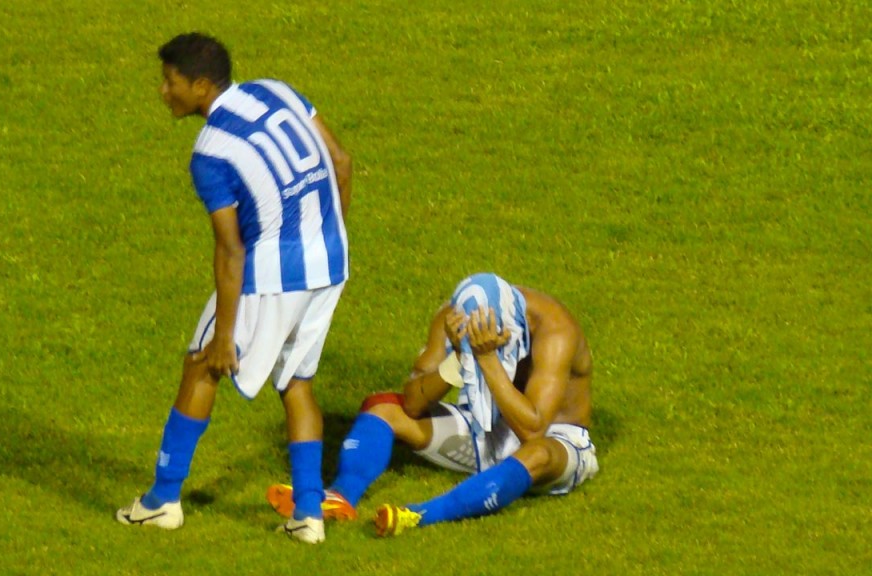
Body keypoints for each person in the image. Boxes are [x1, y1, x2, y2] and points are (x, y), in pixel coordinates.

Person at [117, 32, 352, 545]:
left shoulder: (211, 152)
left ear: (201, 86)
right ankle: (308, 516)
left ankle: (162, 500)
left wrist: (225, 337)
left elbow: (230, 250)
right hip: (330, 261)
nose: (163, 91)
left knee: (202, 363)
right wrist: (323, 237)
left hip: (270, 273)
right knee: (297, 381)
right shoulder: (278, 90)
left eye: (170, 81)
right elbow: (341, 161)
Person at [267, 273, 597, 536]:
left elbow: (533, 429)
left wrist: (486, 360)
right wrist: (455, 363)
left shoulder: (556, 330)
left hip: (555, 441)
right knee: (383, 407)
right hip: (482, 426)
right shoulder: (452, 316)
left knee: (537, 454)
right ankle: (341, 496)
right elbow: (412, 403)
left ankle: (422, 515)